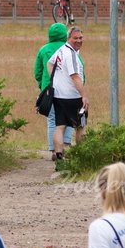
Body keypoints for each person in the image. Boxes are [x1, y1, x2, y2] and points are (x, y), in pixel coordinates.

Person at [35, 21, 75, 158]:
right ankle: (66, 146)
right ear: (65, 34)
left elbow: (38, 72)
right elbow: (79, 67)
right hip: (68, 90)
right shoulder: (69, 48)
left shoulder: (43, 49)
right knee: (69, 118)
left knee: (52, 119)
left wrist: (42, 85)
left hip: (49, 89)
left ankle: (53, 150)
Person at [48, 26, 88, 161]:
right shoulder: (70, 54)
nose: (78, 40)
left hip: (58, 96)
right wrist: (84, 95)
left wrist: (56, 81)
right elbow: (75, 76)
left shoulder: (61, 50)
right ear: (68, 38)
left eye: (80, 38)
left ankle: (58, 155)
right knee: (80, 126)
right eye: (75, 38)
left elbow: (50, 63)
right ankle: (80, 156)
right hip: (73, 97)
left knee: (60, 126)